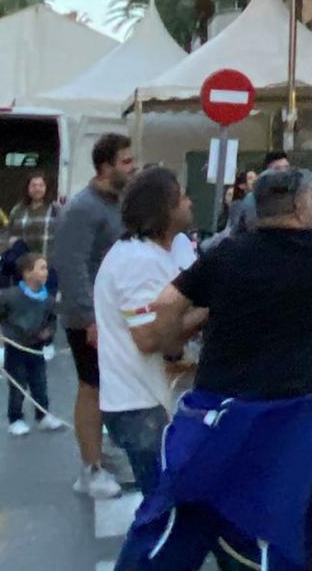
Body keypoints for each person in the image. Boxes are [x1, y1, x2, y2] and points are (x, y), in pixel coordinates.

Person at [112, 164, 312, 570]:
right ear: (301, 207)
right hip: (282, 420)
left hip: (212, 414)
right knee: (270, 528)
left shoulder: (227, 252)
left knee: (179, 515)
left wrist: (171, 343)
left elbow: (164, 304)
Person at [95, 167, 204, 495]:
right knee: (161, 507)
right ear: (165, 209)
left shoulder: (167, 249)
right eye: (182, 197)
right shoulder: (137, 260)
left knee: (164, 505)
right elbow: (149, 338)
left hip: (151, 402)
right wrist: (208, 311)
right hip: (138, 407)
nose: (189, 202)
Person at [51, 132, 138, 499]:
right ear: (106, 167)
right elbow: (71, 267)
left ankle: (103, 454)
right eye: (126, 162)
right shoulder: (83, 208)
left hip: (112, 314)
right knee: (92, 388)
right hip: (89, 318)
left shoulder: (116, 204)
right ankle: (89, 469)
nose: (132, 167)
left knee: (109, 389)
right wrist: (90, 319)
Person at [0, 252, 65, 436]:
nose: (46, 273)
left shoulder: (48, 300)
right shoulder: (9, 296)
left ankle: (42, 416)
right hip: (15, 347)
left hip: (36, 348)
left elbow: (52, 321)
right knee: (17, 385)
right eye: (41, 268)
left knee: (40, 383)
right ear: (27, 273)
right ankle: (15, 419)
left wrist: (48, 333)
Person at [6, 174, 60, 258]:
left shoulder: (56, 210)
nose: (37, 189)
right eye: (33, 185)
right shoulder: (17, 210)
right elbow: (9, 234)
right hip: (24, 264)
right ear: (27, 188)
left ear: (46, 188)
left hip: (48, 263)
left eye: (41, 185)